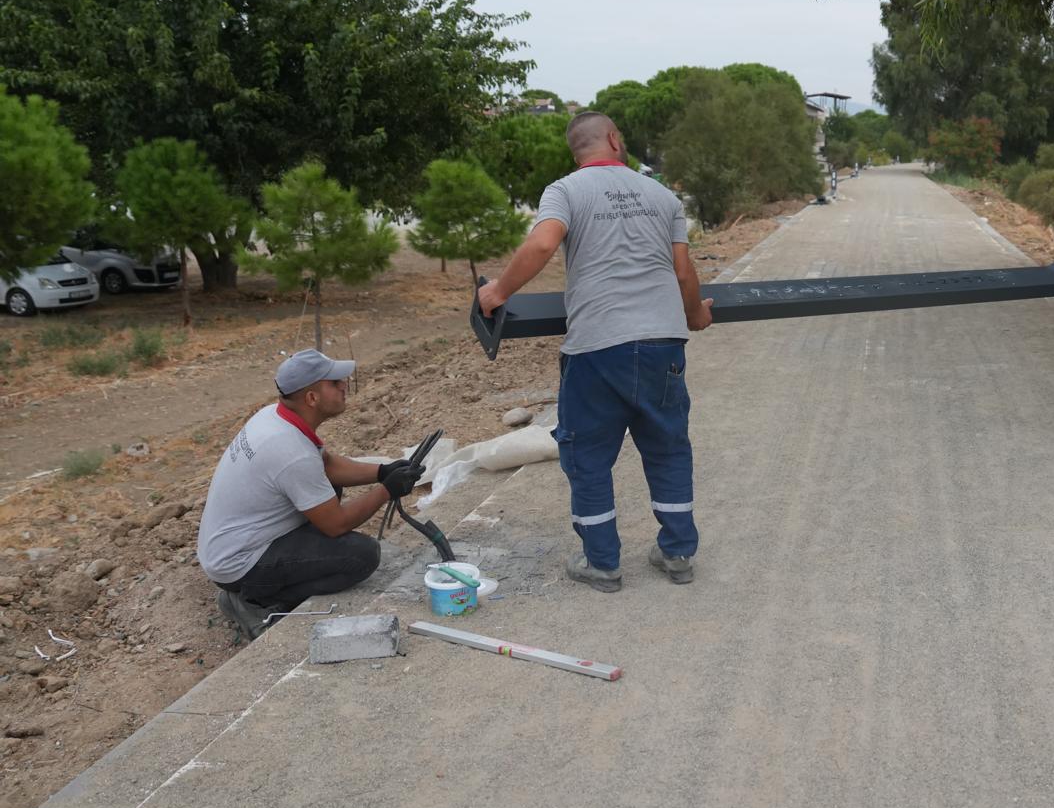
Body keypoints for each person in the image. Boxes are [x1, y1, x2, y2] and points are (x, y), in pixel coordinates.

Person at [478, 111, 713, 593]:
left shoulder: (565, 190)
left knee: (587, 457)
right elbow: (684, 274)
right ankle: (678, 553)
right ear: (613, 138)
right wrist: (694, 315)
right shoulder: (663, 195)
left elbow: (544, 244)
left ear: (576, 150)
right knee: (668, 449)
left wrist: (498, 291)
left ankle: (602, 562)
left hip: (597, 349)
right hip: (661, 346)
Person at [198, 349, 424, 639]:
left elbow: (327, 464)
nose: (344, 385)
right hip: (238, 564)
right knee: (361, 556)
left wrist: (382, 471)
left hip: (230, 544)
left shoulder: (276, 416)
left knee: (327, 486)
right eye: (334, 383)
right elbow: (336, 524)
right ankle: (254, 601)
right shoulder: (289, 450)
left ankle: (259, 587)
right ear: (312, 398)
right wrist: (386, 491)